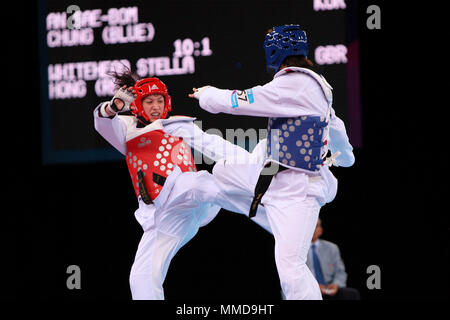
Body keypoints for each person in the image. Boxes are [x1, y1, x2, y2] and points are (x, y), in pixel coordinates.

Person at [189, 24, 355, 300]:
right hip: (278, 182)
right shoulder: (319, 86)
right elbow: (336, 127)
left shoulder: (292, 84)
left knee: (291, 268)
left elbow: (238, 101)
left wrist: (206, 94)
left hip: (297, 192)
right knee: (222, 172)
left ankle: (256, 211)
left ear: (274, 52)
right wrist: (347, 156)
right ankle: (244, 207)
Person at [94, 70, 247, 299]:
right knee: (141, 278)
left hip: (189, 196)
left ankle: (263, 199)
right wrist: (113, 107)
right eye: (149, 101)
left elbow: (212, 144)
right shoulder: (126, 129)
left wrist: (252, 162)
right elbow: (102, 121)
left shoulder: (175, 124)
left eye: (159, 101)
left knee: (205, 180)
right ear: (137, 104)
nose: (155, 107)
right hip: (163, 217)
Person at [307, 218, 360, 300]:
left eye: (316, 226)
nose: (313, 228)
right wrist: (314, 287)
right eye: (311, 225)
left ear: (320, 230)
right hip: (307, 289)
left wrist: (336, 284)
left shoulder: (331, 248)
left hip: (328, 288)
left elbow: (340, 272)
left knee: (352, 294)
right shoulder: (297, 250)